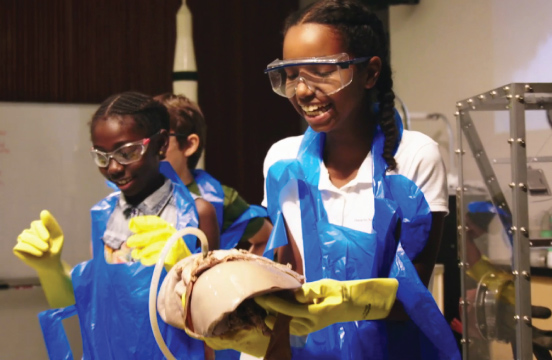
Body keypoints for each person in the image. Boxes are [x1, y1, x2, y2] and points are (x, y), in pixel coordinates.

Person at [249, 1, 460, 359]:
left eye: (321, 71)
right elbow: (285, 277)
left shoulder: (414, 157)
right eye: (291, 74)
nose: (301, 91)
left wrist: (336, 303)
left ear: (370, 73)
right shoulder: (282, 161)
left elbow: (409, 298)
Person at [13, 91, 218, 359]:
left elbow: (214, 318)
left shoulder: (195, 213)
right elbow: (89, 305)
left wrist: (185, 267)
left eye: (127, 152)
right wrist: (50, 268)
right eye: (102, 156)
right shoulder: (104, 216)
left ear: (160, 144)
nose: (113, 168)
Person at [154, 92, 272, 255]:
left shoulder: (218, 198)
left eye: (160, 140)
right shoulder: (131, 193)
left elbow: (267, 238)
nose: (148, 147)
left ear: (189, 144)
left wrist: (242, 276)